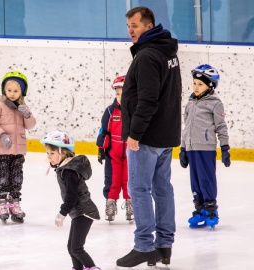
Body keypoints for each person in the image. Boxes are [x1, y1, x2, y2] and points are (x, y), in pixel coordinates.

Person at [116, 6, 182, 268]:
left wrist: (135, 133)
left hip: (146, 137)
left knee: (139, 189)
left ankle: (144, 246)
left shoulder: (146, 57)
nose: (131, 30)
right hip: (165, 135)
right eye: (128, 26)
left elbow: (147, 101)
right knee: (162, 189)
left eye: (135, 25)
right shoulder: (168, 52)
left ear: (148, 25)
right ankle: (164, 246)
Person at [40, 130, 101, 270]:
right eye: (48, 153)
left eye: (52, 153)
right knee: (71, 247)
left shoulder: (69, 171)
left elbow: (71, 196)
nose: (49, 157)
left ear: (63, 152)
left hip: (84, 212)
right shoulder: (65, 168)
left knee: (76, 248)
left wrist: (62, 213)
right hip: (79, 213)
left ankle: (92, 267)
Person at [180, 64, 230, 229]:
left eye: (200, 84)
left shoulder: (215, 104)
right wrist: (183, 148)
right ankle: (199, 209)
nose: (195, 87)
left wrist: (225, 148)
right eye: (194, 83)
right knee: (195, 181)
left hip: (206, 149)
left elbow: (221, 127)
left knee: (206, 179)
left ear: (210, 86)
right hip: (191, 148)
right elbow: (186, 126)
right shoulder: (190, 102)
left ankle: (211, 211)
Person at [0, 70, 37, 223]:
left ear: (22, 91)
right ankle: (1, 202)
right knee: (2, 177)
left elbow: (30, 125)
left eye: (16, 90)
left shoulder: (22, 107)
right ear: (4, 90)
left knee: (17, 178)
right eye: (9, 90)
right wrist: (1, 135)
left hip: (18, 150)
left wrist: (27, 115)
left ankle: (14, 203)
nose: (12, 94)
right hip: (1, 149)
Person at [96, 75, 132, 222]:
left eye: (123, 94)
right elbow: (104, 130)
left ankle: (131, 204)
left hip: (131, 153)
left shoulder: (135, 111)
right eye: (117, 94)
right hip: (114, 153)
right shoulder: (110, 111)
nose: (120, 97)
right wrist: (101, 148)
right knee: (112, 179)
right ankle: (110, 203)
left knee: (129, 180)